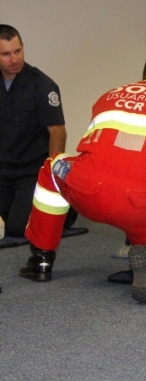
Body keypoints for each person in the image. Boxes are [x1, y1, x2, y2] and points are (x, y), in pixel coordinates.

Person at [18, 50, 146, 304]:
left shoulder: (109, 96)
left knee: (52, 166)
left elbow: (105, 157)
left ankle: (40, 258)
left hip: (85, 189)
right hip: (138, 205)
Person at [0, 24, 76, 237]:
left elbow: (58, 132)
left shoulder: (42, 85)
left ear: (23, 47)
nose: (14, 59)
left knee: (17, 228)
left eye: (17, 51)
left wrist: (52, 179)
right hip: (3, 170)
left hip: (31, 171)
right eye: (6, 54)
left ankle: (67, 206)